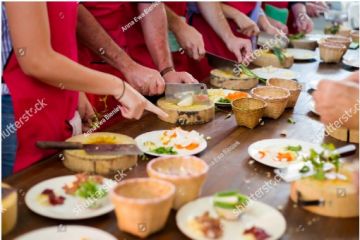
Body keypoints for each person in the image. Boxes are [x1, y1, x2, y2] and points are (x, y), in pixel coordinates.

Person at [1, 2, 167, 177]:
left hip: (51, 103)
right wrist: (119, 87)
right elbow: (36, 60)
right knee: (25, 193)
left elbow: (59, 30)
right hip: (16, 113)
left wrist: (75, 90)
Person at [78, 2, 197, 126]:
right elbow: (77, 17)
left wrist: (167, 70)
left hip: (127, 67)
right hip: (87, 72)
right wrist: (129, 67)